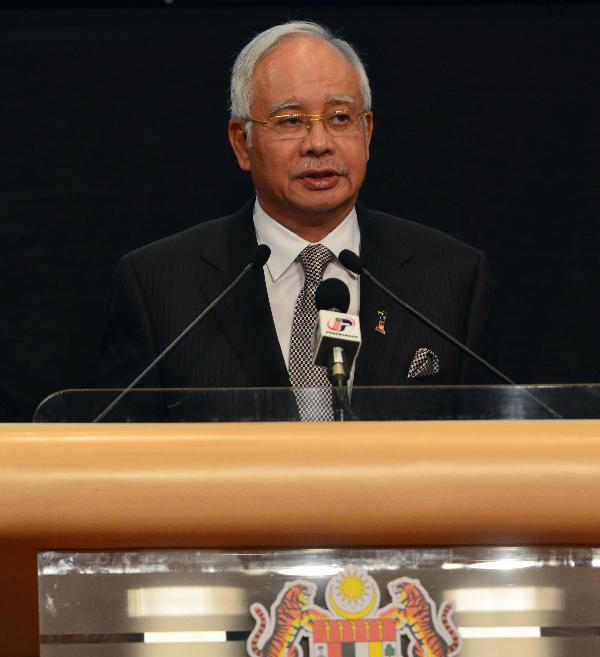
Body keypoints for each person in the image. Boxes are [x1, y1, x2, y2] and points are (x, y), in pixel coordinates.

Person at [98, 21, 492, 419]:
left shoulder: (451, 275)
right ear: (242, 142)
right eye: (290, 121)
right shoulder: (158, 285)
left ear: (367, 132)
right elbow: (116, 462)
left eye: (339, 117)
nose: (319, 144)